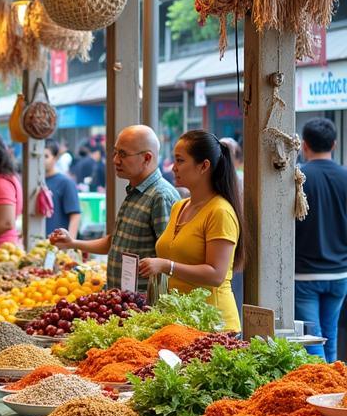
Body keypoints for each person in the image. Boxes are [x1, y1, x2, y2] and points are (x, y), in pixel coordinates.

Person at [51, 125, 179, 293]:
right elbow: (115, 242)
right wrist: (72, 243)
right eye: (115, 152)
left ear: (147, 158)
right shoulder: (135, 191)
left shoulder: (161, 196)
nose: (115, 160)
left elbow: (169, 259)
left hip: (144, 306)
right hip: (122, 300)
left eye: (123, 154)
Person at [137, 130, 243, 330]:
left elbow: (216, 274)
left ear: (204, 166)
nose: (173, 167)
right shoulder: (180, 206)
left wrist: (167, 266)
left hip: (214, 326)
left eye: (180, 160)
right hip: (181, 322)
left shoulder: (220, 211)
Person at [295, 118, 347, 362]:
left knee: (313, 341)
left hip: (304, 275)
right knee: (330, 336)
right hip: (339, 275)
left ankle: (324, 394)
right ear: (334, 144)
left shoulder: (297, 178)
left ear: (304, 145)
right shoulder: (345, 176)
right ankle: (335, 392)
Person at [43, 140, 81, 237]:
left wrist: (70, 243)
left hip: (58, 245)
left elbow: (75, 215)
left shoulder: (66, 183)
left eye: (46, 156)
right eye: (39, 157)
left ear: (55, 158)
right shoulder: (34, 183)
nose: (41, 160)